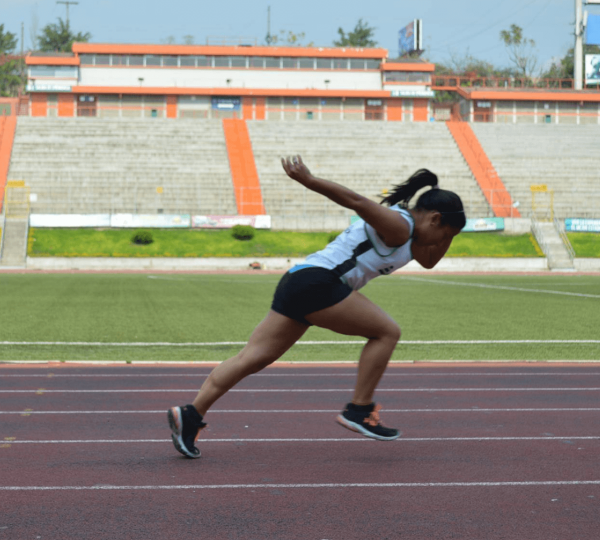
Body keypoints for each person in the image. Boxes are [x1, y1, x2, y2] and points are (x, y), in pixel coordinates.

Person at [168, 156, 466, 459]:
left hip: (299, 281)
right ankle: (359, 409)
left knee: (252, 358)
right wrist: (309, 180)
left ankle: (191, 414)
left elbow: (429, 260)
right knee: (387, 332)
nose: (442, 242)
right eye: (445, 235)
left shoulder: (413, 238)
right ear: (434, 219)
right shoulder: (400, 226)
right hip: (320, 282)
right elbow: (356, 201)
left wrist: (451, 230)